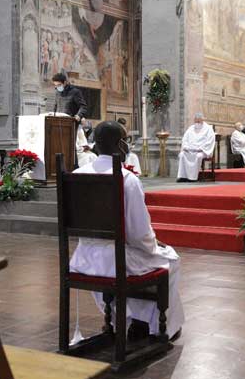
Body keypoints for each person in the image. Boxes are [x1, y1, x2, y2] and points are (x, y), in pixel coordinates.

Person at [69, 121, 184, 340]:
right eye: (126, 141)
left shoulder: (76, 175)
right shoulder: (126, 179)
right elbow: (139, 233)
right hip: (116, 261)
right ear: (120, 144)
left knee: (142, 260)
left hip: (83, 259)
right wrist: (154, 245)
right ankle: (155, 326)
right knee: (169, 260)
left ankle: (125, 319)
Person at [177, 113, 215, 182]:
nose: (197, 123)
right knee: (182, 155)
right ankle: (182, 176)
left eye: (199, 121)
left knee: (198, 156)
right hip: (190, 150)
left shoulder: (208, 129)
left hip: (202, 151)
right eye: (196, 121)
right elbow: (185, 139)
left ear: (202, 120)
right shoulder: (191, 128)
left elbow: (210, 141)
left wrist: (200, 149)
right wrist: (186, 147)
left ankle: (193, 177)